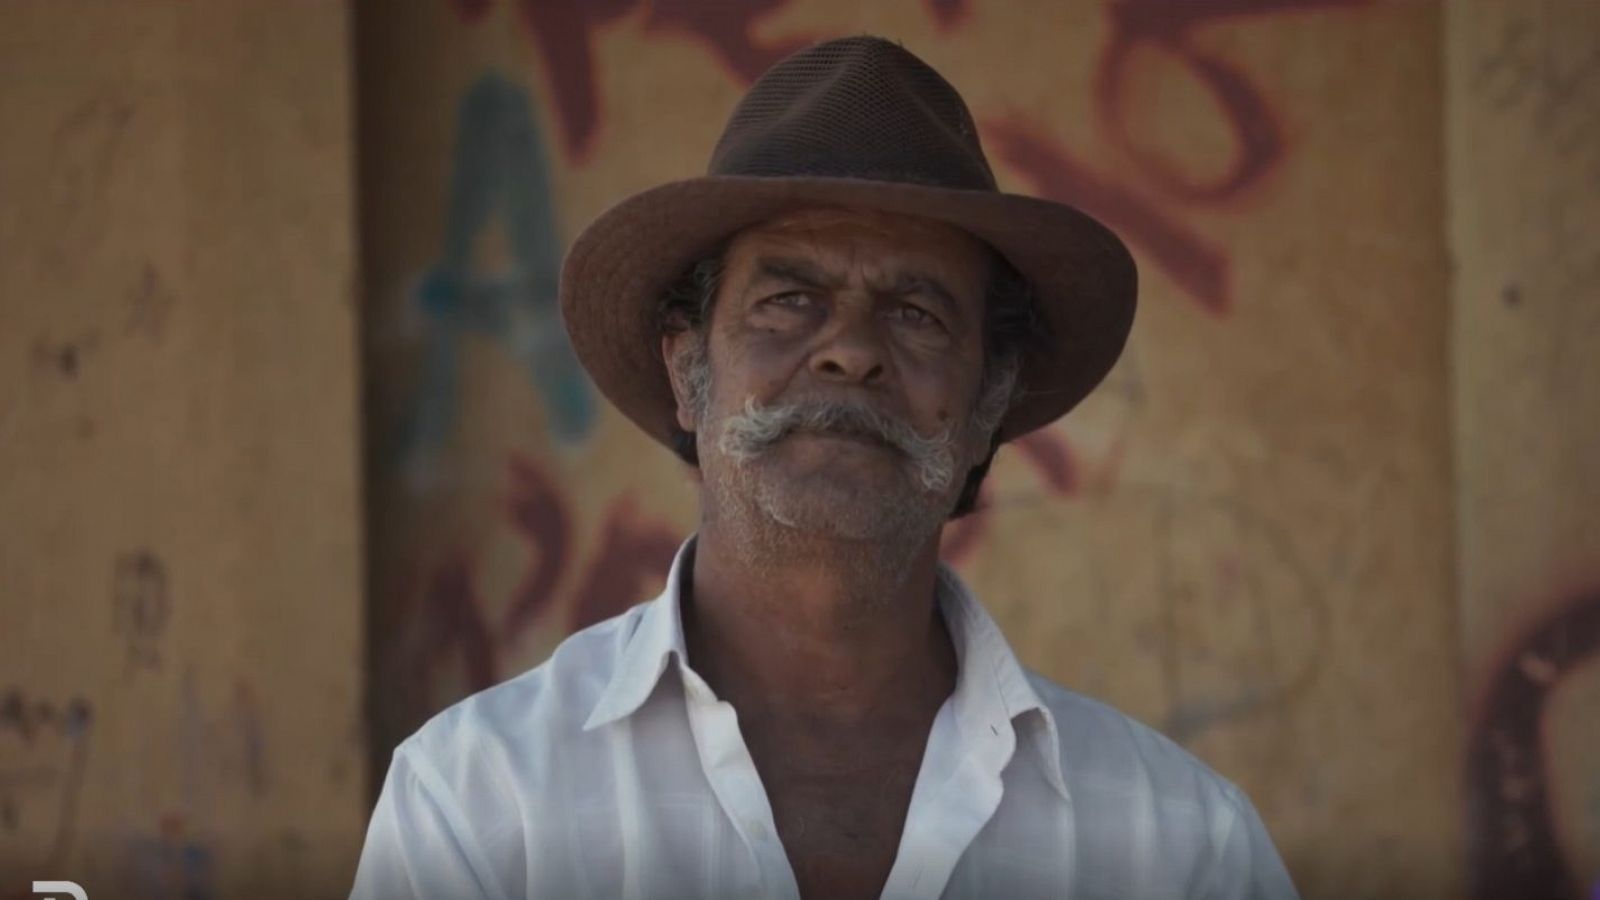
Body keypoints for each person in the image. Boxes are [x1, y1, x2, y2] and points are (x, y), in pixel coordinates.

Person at [352, 35, 1300, 900]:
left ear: (985, 407)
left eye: (917, 312)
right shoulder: (484, 802)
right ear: (689, 371)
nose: (851, 350)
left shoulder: (1176, 846)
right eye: (790, 298)